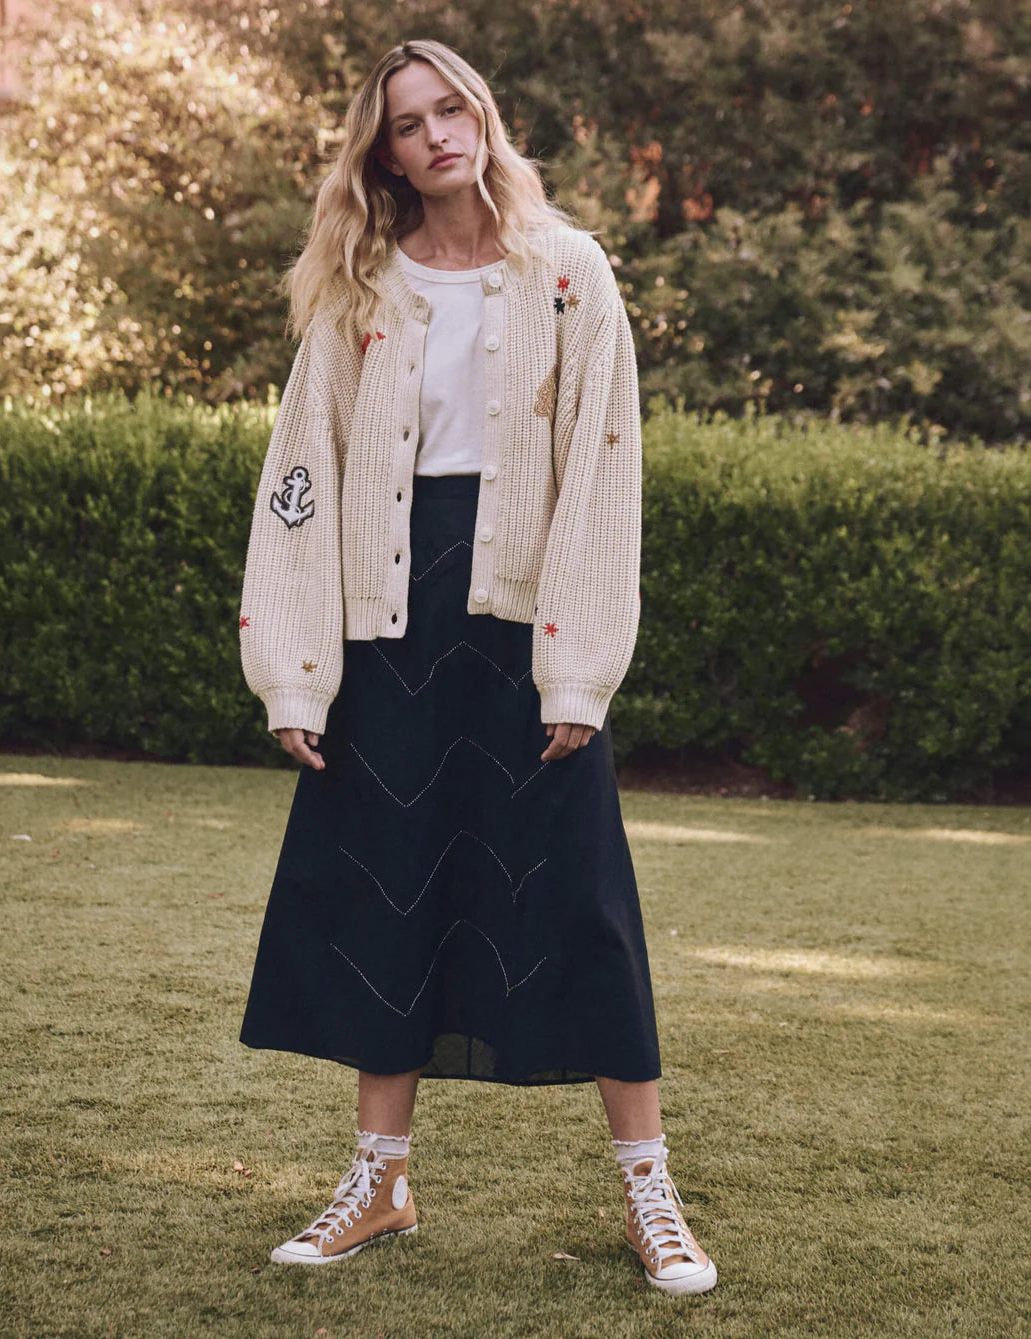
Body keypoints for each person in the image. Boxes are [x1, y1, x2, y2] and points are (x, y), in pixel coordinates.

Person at [236, 38, 717, 1297]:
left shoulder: (568, 271)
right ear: (381, 151)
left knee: (586, 905)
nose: (438, 134)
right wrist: (296, 671)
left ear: (486, 117)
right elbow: (303, 476)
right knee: (391, 894)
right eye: (409, 122)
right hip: (389, 622)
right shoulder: (360, 284)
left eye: (454, 109)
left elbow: (604, 473)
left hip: (528, 625)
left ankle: (650, 1192)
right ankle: (380, 1182)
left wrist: (576, 671)